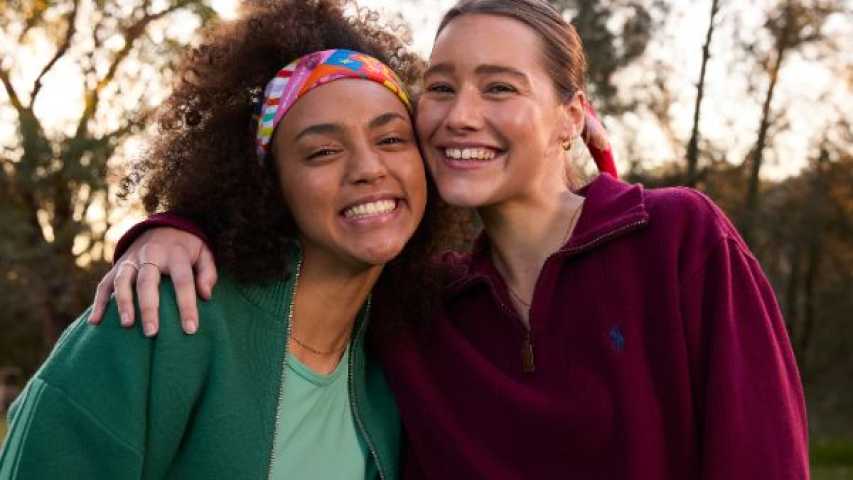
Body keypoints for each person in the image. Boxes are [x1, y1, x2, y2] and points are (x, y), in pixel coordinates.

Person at [85, 0, 810, 478]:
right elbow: (298, 217)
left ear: (570, 117)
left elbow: (763, 458)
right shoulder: (417, 307)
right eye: (439, 86)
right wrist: (170, 227)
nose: (460, 114)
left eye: (499, 88)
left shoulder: (677, 237)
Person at [0, 1, 465, 478]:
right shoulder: (159, 313)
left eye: (391, 140)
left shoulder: (403, 349)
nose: (369, 169)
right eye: (323, 151)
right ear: (268, 180)